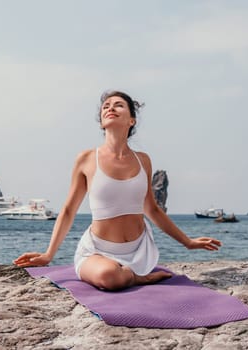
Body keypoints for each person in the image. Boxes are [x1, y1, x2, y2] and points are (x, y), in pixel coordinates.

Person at [14, 90, 222, 290]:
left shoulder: (143, 160)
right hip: (97, 252)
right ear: (102, 122)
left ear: (132, 120)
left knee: (114, 276)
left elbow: (152, 209)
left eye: (118, 105)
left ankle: (134, 272)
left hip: (139, 252)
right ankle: (137, 278)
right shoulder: (86, 159)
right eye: (106, 106)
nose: (110, 108)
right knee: (109, 276)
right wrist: (49, 254)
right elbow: (68, 210)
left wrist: (188, 242)